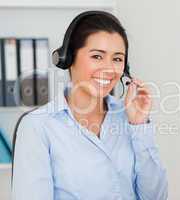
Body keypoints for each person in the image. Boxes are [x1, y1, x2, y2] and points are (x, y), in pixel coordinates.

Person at [12, 10, 168, 200]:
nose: (109, 69)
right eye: (97, 56)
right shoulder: (38, 126)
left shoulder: (129, 118)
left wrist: (139, 125)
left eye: (117, 59)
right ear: (68, 59)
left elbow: (156, 197)